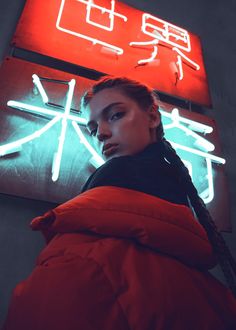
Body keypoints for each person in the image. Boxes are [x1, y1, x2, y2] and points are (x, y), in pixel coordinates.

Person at [3, 76, 236, 330]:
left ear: (153, 118)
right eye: (92, 129)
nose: (101, 133)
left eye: (115, 115)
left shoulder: (82, 256)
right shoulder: (217, 293)